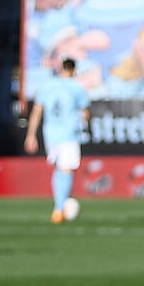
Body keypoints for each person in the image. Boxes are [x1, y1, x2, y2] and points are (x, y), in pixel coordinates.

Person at [23, 56, 92, 223]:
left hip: (50, 135)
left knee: (58, 168)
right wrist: (85, 118)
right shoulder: (76, 87)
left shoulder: (48, 86)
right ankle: (59, 209)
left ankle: (59, 205)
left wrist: (31, 135)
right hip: (68, 134)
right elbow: (86, 113)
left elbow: (37, 111)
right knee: (66, 169)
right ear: (74, 70)